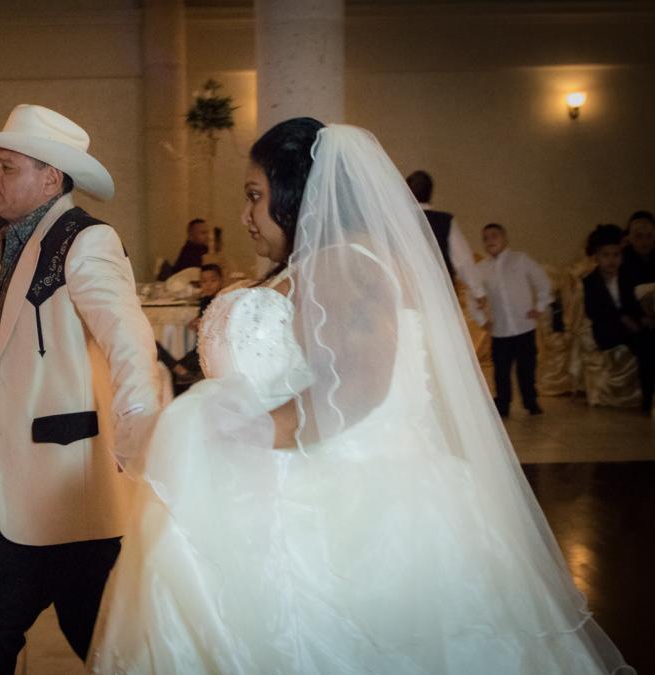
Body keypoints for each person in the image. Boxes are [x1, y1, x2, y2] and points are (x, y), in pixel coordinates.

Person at [91, 119, 630, 674]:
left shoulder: (343, 263)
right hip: (298, 478)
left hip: (341, 506)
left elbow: (355, 386)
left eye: (255, 195)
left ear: (296, 192)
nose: (246, 214)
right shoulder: (325, 262)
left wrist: (229, 431)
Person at [0, 104, 160, 675]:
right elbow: (1, 354)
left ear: (51, 179)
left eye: (6, 166)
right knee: (92, 632)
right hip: (49, 489)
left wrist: (138, 440)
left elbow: (131, 341)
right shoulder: (23, 241)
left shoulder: (86, 241)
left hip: (63, 478)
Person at [477, 223, 553, 417]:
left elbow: (543, 281)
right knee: (501, 370)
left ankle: (530, 401)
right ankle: (503, 403)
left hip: (524, 327)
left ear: (505, 238)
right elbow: (473, 296)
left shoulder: (520, 259)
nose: (490, 240)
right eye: (485, 238)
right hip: (500, 331)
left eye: (494, 235)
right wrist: (481, 319)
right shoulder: (481, 269)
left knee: (526, 368)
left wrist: (540, 307)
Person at [583, 224, 654, 414]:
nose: (611, 260)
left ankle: (648, 394)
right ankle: (647, 399)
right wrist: (622, 318)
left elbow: (632, 303)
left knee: (648, 340)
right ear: (597, 257)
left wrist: (643, 317)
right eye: (606, 255)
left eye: (616, 255)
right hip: (607, 329)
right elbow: (594, 311)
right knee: (644, 342)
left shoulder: (625, 277)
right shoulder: (590, 282)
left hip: (630, 325)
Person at [406, 170, 487, 311]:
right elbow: (463, 260)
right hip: (440, 291)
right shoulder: (445, 221)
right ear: (430, 194)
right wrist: (478, 291)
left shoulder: (398, 222)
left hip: (408, 292)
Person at [155, 263, 222, 393]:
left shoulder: (221, 300)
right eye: (204, 281)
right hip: (200, 349)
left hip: (211, 351)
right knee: (167, 364)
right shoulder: (205, 301)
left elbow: (219, 326)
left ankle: (184, 373)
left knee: (168, 364)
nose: (208, 284)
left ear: (221, 280)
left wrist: (203, 323)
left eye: (213, 280)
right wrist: (198, 322)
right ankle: (183, 373)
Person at [622, 210, 655, 285]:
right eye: (638, 236)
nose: (644, 241)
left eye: (649, 235)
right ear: (629, 237)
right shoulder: (620, 259)